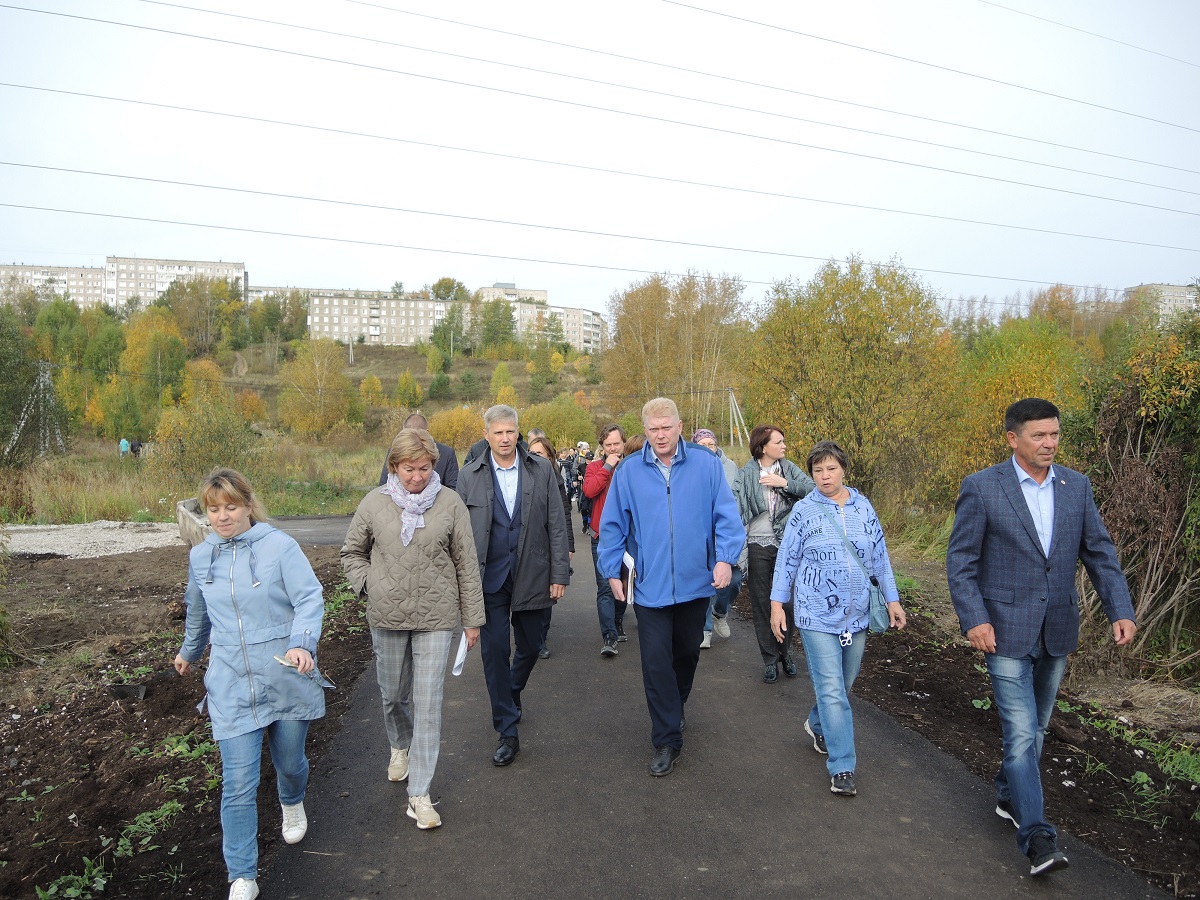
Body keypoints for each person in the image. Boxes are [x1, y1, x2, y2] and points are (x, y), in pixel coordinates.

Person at [947, 398, 1136, 877]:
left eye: (1054, 435)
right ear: (1013, 438)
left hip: (1057, 628)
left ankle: (1009, 797)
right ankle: (1037, 838)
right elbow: (961, 562)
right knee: (1020, 734)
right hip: (1003, 632)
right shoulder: (983, 488)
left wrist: (1120, 608)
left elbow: (1099, 552)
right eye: (1039, 436)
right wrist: (974, 619)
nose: (1049, 443)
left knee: (1036, 728)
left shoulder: (1076, 487)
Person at [173, 469, 328, 900]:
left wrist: (302, 644)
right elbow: (198, 612)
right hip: (231, 681)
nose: (222, 517)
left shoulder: (279, 546)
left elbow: (309, 598)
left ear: (247, 505)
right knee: (238, 781)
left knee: (291, 763)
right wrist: (188, 652)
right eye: (214, 509)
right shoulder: (201, 556)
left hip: (283, 671)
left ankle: (291, 800)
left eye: (231, 507)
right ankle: (241, 873)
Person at [342, 428, 484, 831]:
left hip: (437, 618)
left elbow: (466, 564)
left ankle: (419, 794)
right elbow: (351, 552)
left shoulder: (450, 503)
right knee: (392, 694)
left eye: (424, 468)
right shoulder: (374, 503)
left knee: (429, 703)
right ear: (394, 467)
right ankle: (398, 745)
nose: (418, 477)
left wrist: (472, 618)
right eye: (409, 469)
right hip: (387, 616)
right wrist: (371, 584)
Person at [598, 398, 745, 776]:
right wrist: (612, 570)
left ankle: (674, 708)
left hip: (697, 583)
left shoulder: (706, 465)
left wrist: (725, 558)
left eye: (667, 427)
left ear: (680, 426)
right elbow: (613, 526)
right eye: (653, 429)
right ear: (644, 430)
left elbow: (727, 517)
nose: (661, 435)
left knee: (686, 655)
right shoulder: (629, 472)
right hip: (650, 586)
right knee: (655, 661)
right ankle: (666, 738)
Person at [770, 440, 905, 799]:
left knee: (842, 687)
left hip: (857, 614)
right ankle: (842, 766)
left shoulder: (864, 508)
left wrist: (892, 600)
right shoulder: (804, 511)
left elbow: (880, 558)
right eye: (817, 470)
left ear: (844, 469)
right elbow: (787, 560)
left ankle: (817, 724)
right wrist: (776, 604)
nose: (824, 476)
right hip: (815, 614)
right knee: (831, 690)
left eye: (831, 469)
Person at [458, 405, 570, 767]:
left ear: (518, 433)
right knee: (493, 655)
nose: (505, 439)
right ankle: (507, 730)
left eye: (511, 432)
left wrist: (559, 573)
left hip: (532, 572)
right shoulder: (469, 476)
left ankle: (511, 692)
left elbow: (556, 521)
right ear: (486, 435)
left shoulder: (540, 470)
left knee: (532, 646)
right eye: (498, 432)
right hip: (487, 578)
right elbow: (458, 535)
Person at [732, 425, 814, 682]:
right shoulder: (746, 474)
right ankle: (769, 659)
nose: (784, 446)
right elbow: (735, 508)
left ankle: (785, 652)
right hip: (757, 544)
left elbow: (812, 490)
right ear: (763, 446)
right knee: (760, 602)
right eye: (778, 442)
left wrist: (784, 484)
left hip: (786, 545)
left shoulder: (788, 468)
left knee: (786, 602)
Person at [691, 428, 745, 649]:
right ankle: (705, 630)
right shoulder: (690, 468)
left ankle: (719, 612)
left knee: (733, 580)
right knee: (706, 581)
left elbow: (738, 499)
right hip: (701, 534)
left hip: (726, 532)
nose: (707, 449)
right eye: (701, 445)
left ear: (716, 445)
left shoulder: (730, 467)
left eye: (710, 444)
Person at [527, 434, 575, 659]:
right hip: (527, 545)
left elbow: (564, 514)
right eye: (531, 453)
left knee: (546, 596)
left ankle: (540, 639)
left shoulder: (555, 478)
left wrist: (569, 546)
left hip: (549, 546)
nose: (534, 457)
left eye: (539, 454)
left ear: (550, 457)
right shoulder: (520, 477)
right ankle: (527, 638)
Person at [582, 424, 627, 656]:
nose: (612, 448)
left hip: (628, 537)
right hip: (601, 536)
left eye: (616, 444)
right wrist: (608, 466)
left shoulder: (631, 466)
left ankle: (618, 620)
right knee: (605, 587)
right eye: (608, 444)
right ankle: (609, 636)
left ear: (623, 444)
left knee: (624, 584)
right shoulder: (594, 467)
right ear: (602, 446)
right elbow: (589, 491)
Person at [377, 413, 458, 490]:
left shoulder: (447, 453)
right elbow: (384, 485)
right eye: (409, 470)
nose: (417, 479)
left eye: (424, 469)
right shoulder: (395, 451)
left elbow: (453, 488)